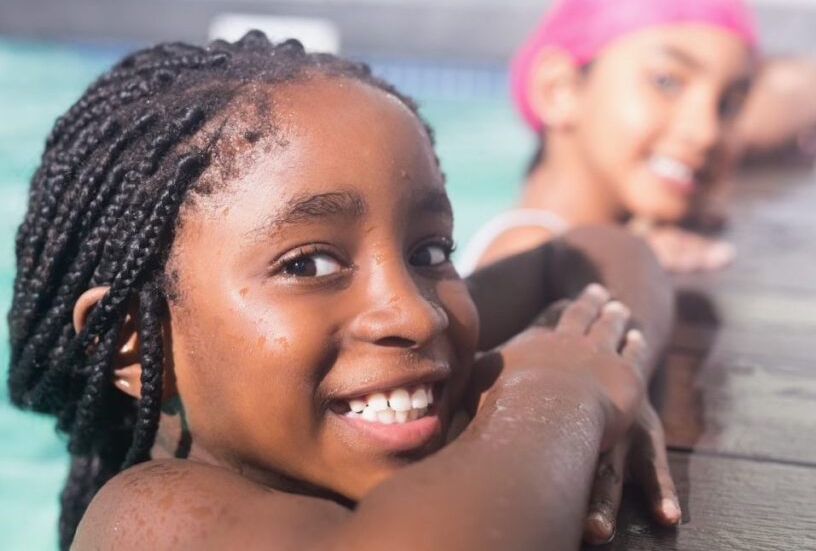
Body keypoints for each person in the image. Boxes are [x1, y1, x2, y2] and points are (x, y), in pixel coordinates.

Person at [6, 32, 678, 550]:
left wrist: (619, 361)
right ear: (133, 339)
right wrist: (559, 397)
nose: (413, 312)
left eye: (431, 250)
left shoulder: (399, 340)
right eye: (307, 266)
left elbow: (602, 253)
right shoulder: (148, 519)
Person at [459, 0, 816, 274]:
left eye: (729, 105)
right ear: (561, 89)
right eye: (666, 82)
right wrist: (628, 263)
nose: (706, 131)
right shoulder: (532, 253)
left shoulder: (590, 242)